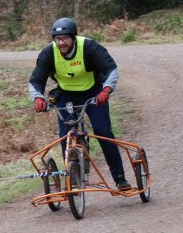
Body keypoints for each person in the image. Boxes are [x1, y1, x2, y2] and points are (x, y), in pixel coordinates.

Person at [28, 17, 131, 190]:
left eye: (65, 38)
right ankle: (73, 176)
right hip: (66, 95)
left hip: (93, 94)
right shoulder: (48, 53)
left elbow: (111, 68)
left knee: (102, 132)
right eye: (58, 39)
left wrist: (106, 90)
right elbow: (35, 80)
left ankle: (119, 177)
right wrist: (37, 98)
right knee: (66, 136)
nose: (61, 43)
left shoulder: (88, 47)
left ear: (73, 37)